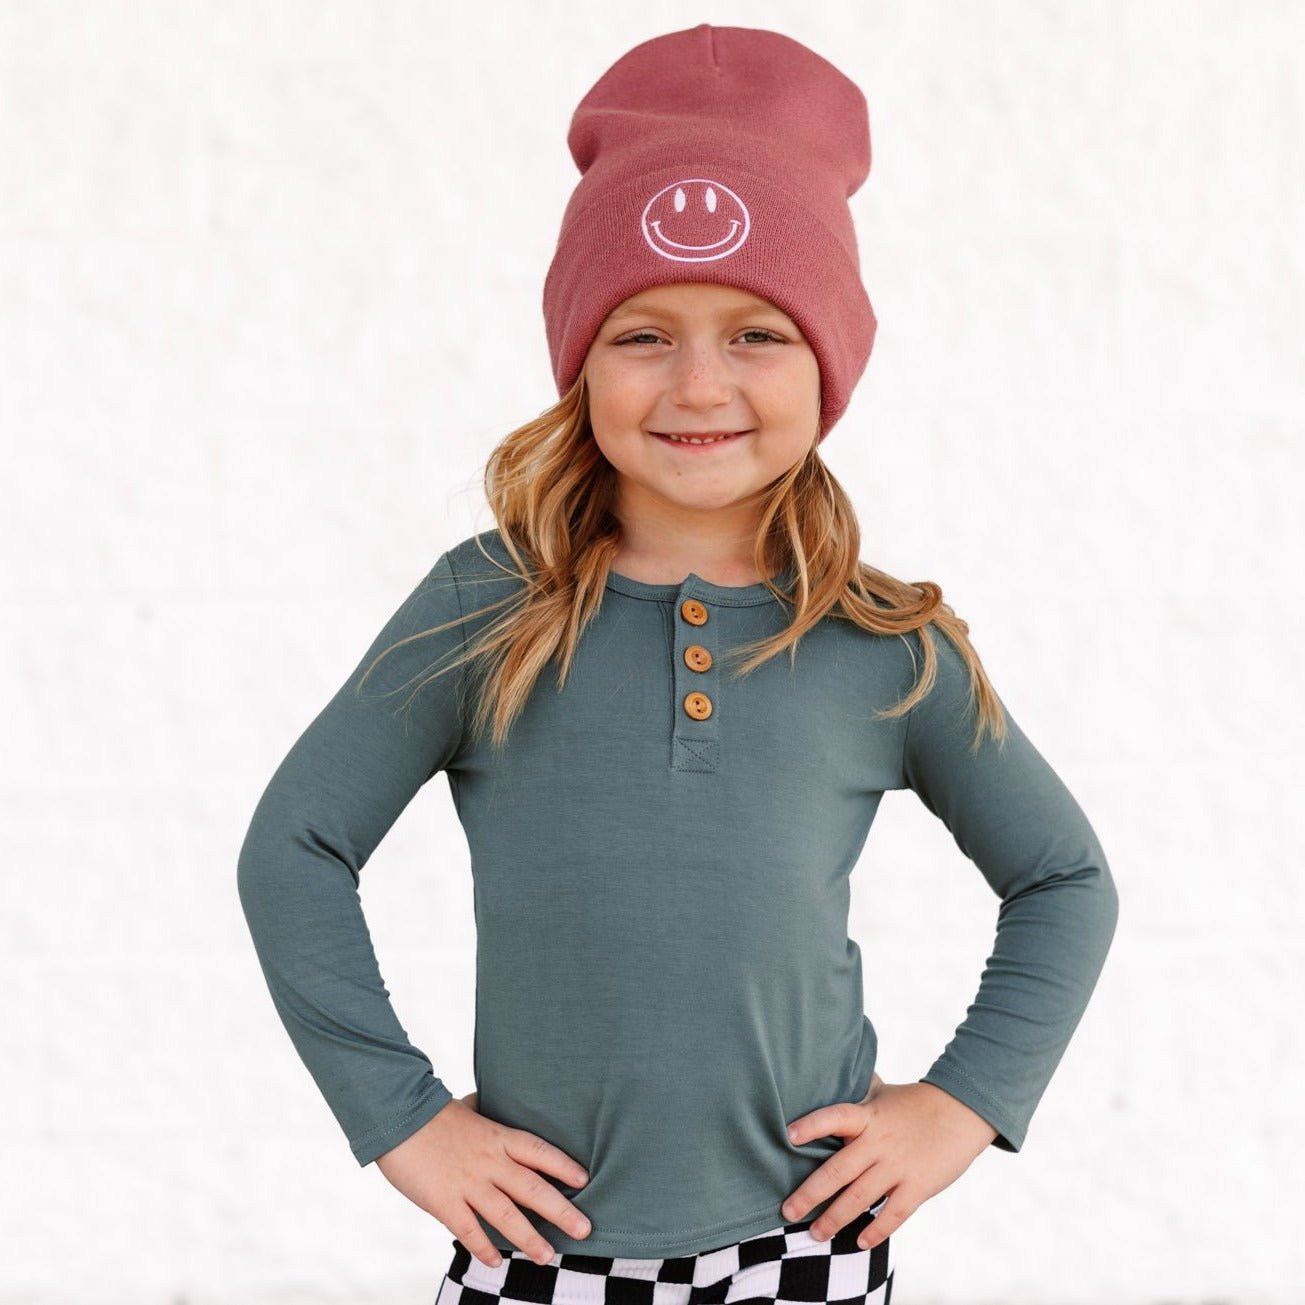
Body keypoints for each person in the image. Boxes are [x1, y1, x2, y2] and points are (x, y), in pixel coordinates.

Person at [236, 23, 1119, 1305]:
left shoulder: (885, 639)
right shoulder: (487, 604)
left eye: (756, 333)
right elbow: (296, 848)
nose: (699, 384)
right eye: (643, 334)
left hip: (808, 1253)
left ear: (830, 363)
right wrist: (403, 1120)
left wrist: (962, 1105)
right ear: (579, 364)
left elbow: (1064, 878)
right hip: (534, 1257)